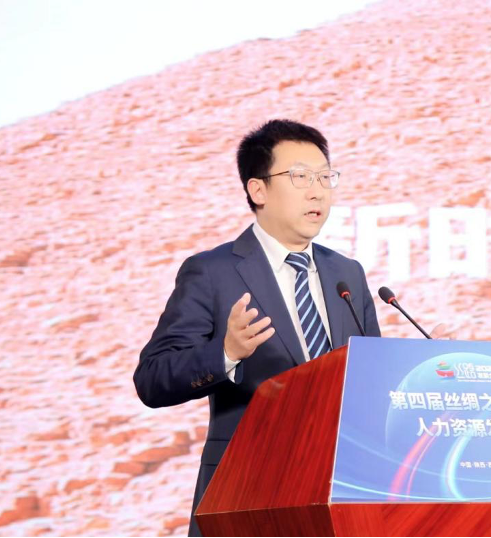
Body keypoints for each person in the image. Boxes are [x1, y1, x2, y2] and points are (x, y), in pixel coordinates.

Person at [133, 119, 381, 537]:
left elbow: (370, 380)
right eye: (300, 177)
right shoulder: (213, 271)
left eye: (325, 177)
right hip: (246, 495)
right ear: (258, 190)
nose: (318, 191)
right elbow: (152, 379)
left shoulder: (347, 273)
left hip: (341, 494)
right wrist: (226, 353)